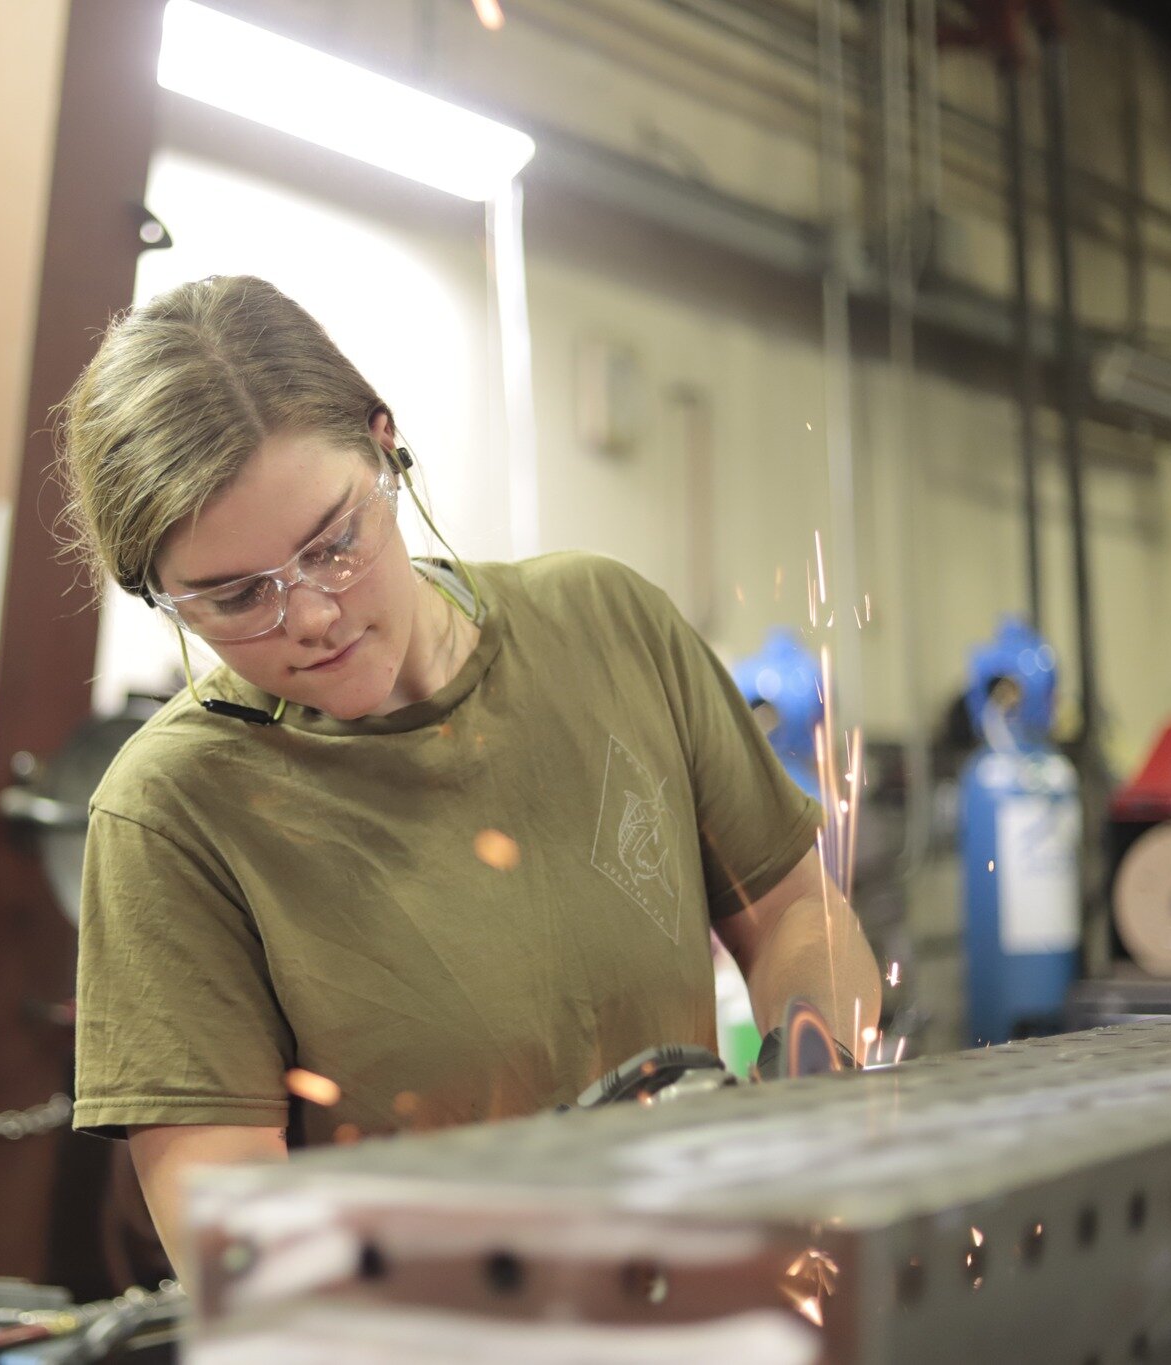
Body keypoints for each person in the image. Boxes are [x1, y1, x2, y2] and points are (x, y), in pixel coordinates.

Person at [55, 274, 881, 1276]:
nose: (309, 615)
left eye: (333, 543)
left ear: (382, 447)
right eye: (233, 598)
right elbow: (234, 1245)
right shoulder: (173, 813)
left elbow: (799, 919)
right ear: (159, 596)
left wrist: (806, 1097)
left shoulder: (606, 627)